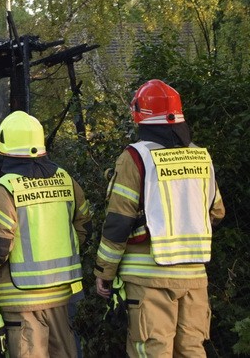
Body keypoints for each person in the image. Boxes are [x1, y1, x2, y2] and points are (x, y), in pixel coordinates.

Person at [94, 79, 225, 357]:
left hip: (148, 278)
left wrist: (104, 272)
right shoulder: (201, 157)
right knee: (191, 350)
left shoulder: (135, 157)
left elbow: (118, 222)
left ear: (140, 117)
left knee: (152, 351)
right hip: (194, 277)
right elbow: (217, 212)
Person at [0, 110, 91, 358]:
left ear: (3, 146)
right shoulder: (65, 179)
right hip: (62, 295)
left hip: (21, 299)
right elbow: (84, 224)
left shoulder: (6, 187)